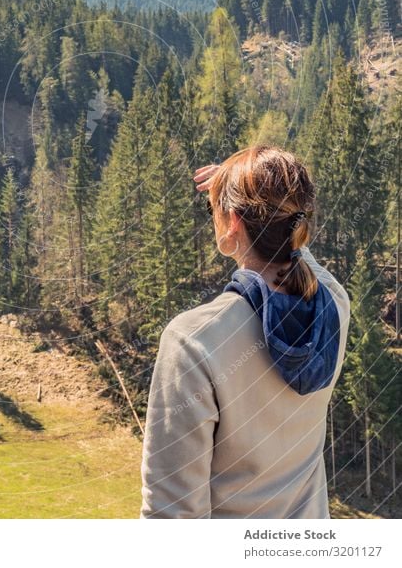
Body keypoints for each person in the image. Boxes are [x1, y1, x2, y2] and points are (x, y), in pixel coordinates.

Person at [140, 146, 350, 519]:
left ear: (233, 222)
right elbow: (298, 250)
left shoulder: (193, 341)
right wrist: (253, 192)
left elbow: (172, 517)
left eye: (215, 210)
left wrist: (240, 187)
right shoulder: (333, 305)